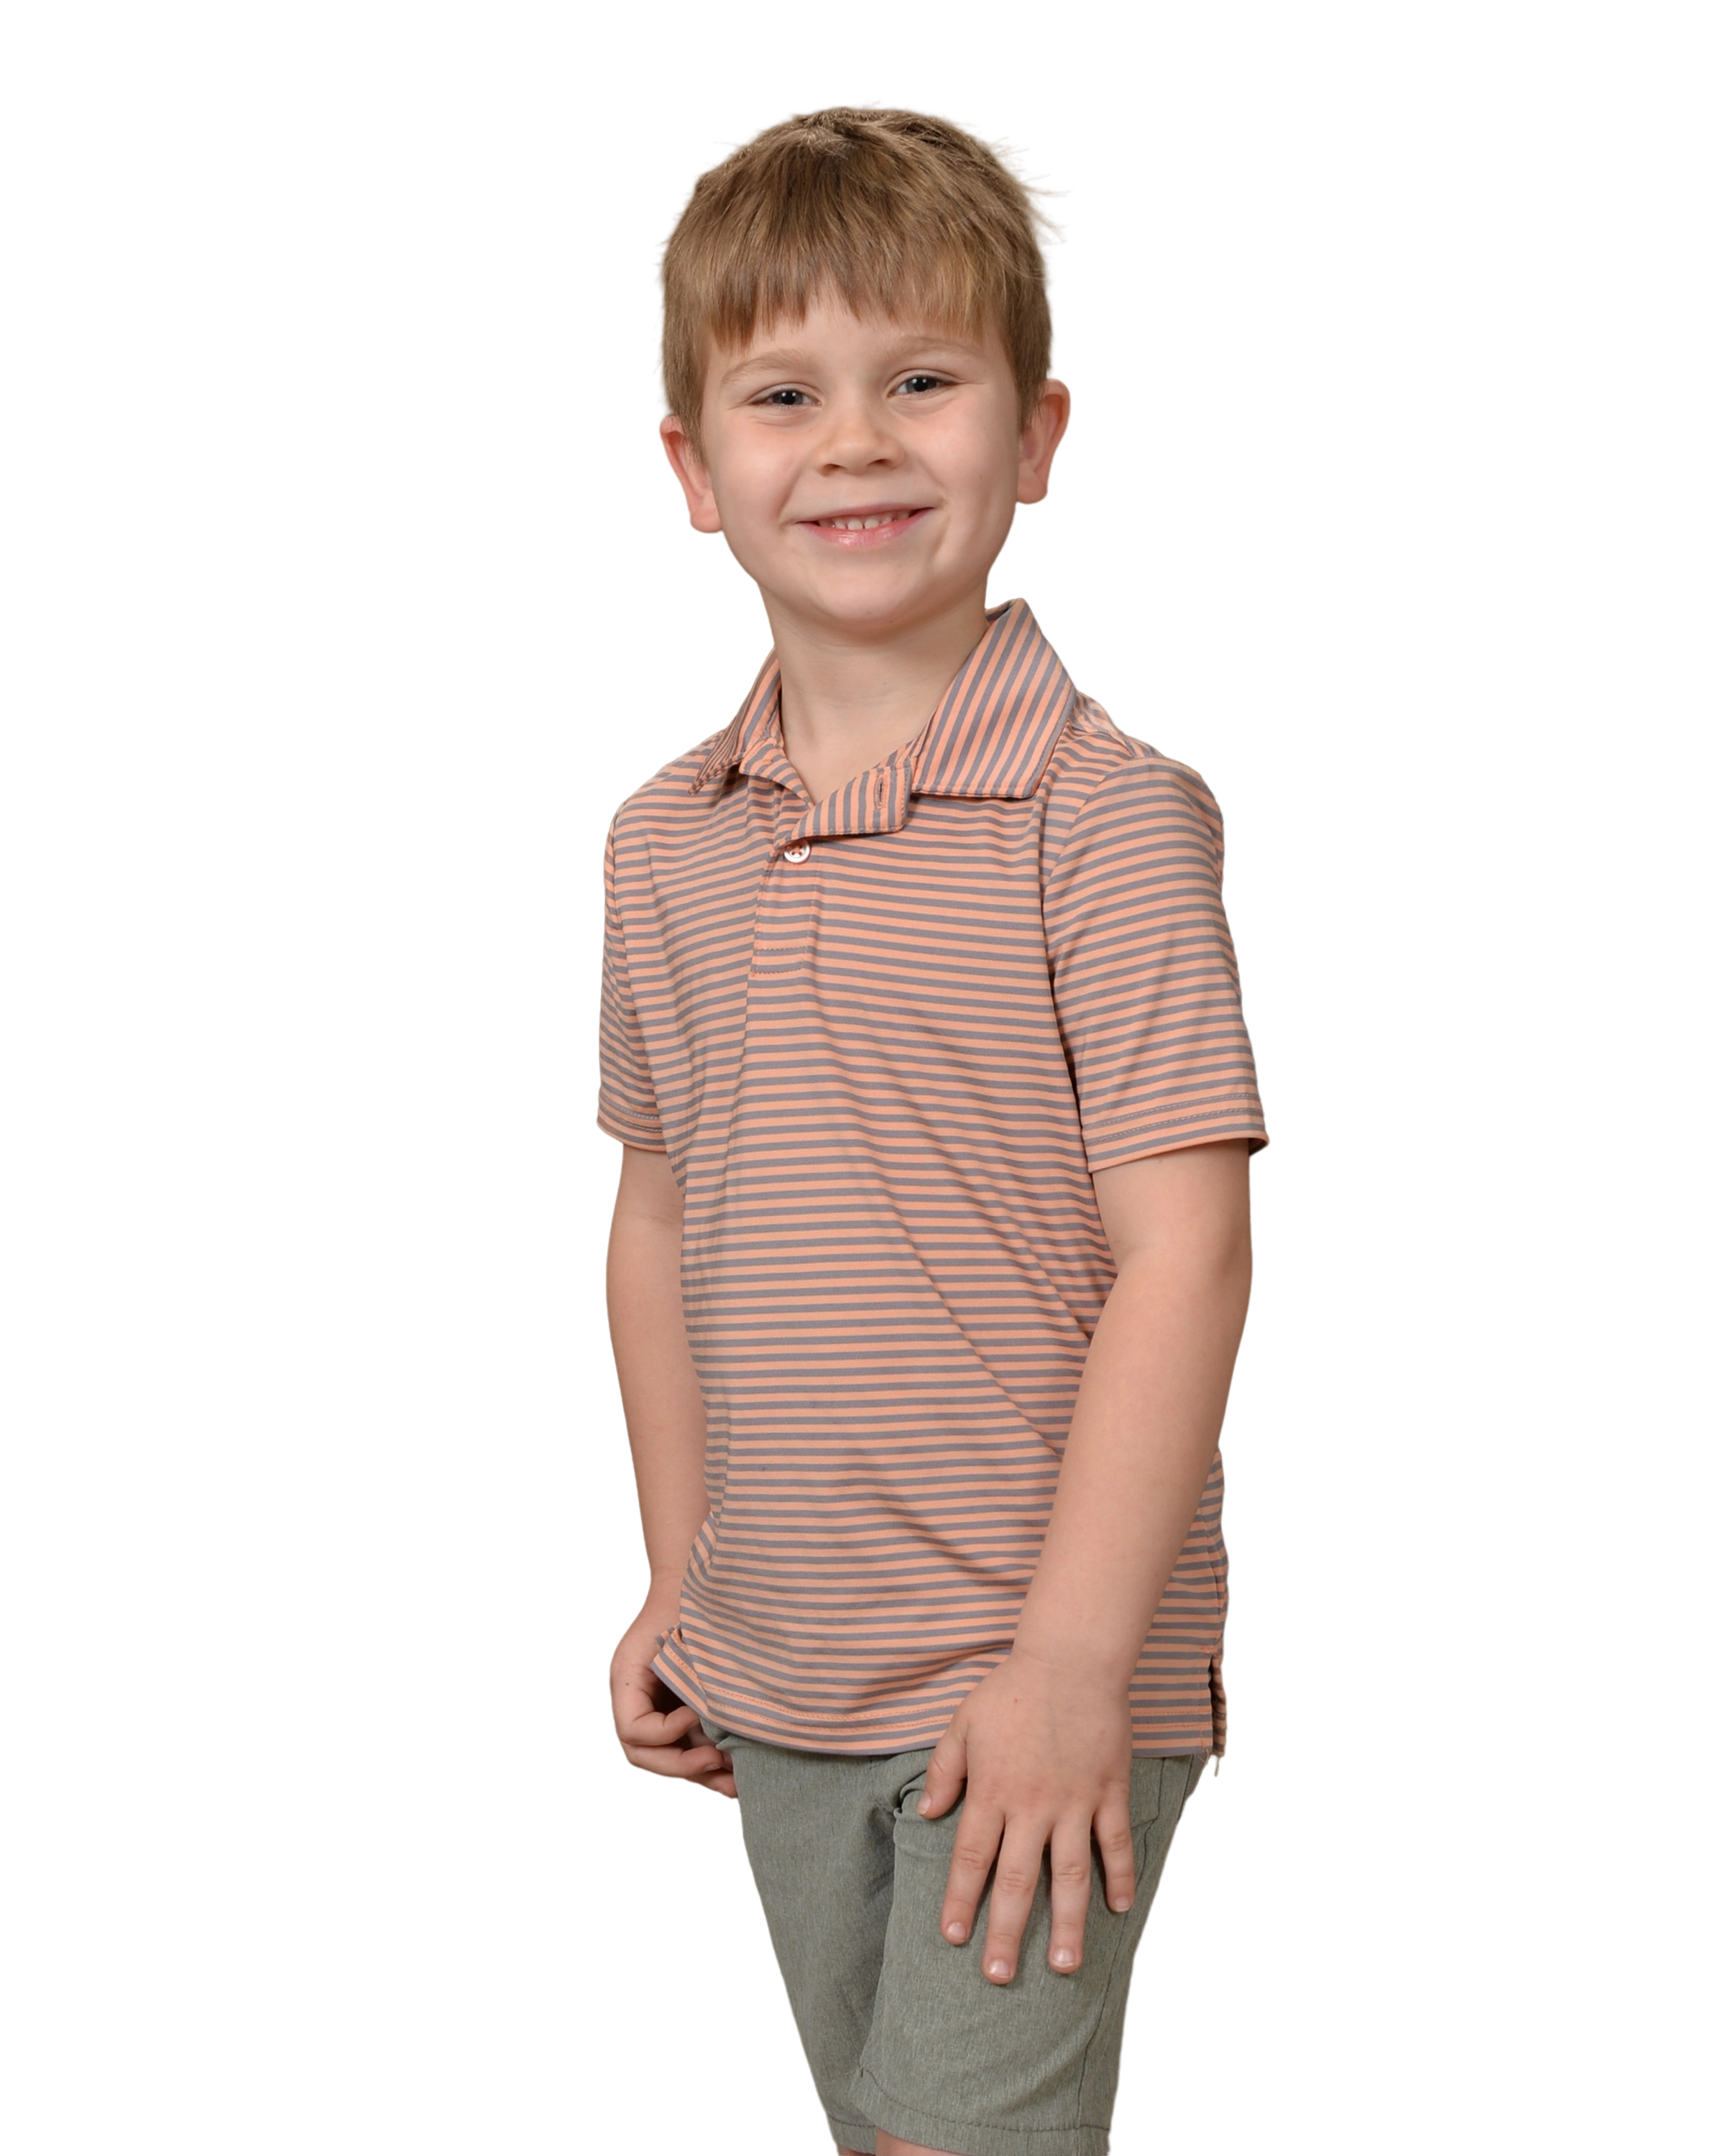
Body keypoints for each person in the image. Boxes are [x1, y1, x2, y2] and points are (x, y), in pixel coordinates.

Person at [599, 97, 1271, 2156]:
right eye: (785, 393)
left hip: (1036, 1665)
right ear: (694, 471)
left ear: (1039, 435)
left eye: (923, 381)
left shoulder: (1108, 820)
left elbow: (1188, 1252)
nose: (857, 444)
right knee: (885, 2127)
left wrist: (1070, 1667)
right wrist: (676, 1575)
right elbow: (660, 1221)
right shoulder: (661, 837)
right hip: (780, 1662)